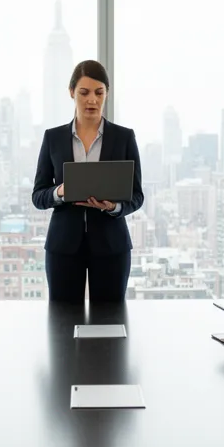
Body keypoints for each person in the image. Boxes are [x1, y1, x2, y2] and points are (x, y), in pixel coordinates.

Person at [32, 60, 144, 303]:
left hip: (111, 247)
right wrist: (60, 191)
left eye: (98, 92)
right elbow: (38, 196)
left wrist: (113, 207)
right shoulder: (53, 138)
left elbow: (137, 196)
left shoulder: (124, 137)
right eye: (84, 92)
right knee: (62, 323)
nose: (92, 100)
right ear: (72, 92)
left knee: (111, 323)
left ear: (106, 94)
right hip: (63, 247)